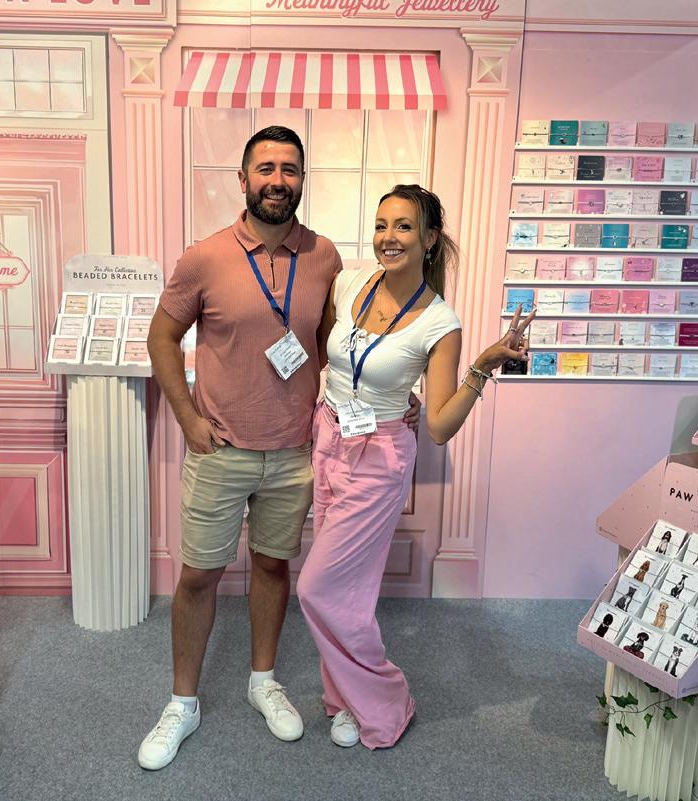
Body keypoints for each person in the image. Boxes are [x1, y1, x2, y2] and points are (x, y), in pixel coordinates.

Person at [138, 126, 417, 770]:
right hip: (219, 448)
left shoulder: (324, 257)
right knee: (198, 576)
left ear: (301, 180)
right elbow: (161, 338)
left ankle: (263, 680)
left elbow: (342, 346)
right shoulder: (204, 258)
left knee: (272, 567)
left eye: (289, 169)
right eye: (265, 168)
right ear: (243, 179)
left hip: (297, 449)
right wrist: (187, 417)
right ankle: (183, 702)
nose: (277, 180)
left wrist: (394, 397)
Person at [296, 184, 535, 750]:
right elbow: (333, 354)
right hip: (329, 437)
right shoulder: (350, 282)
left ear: (429, 239)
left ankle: (385, 698)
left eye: (403, 227)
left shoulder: (439, 323)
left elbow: (440, 426)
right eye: (381, 225)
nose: (388, 237)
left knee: (316, 587)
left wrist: (483, 365)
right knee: (348, 590)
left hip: (378, 459)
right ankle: (343, 699)